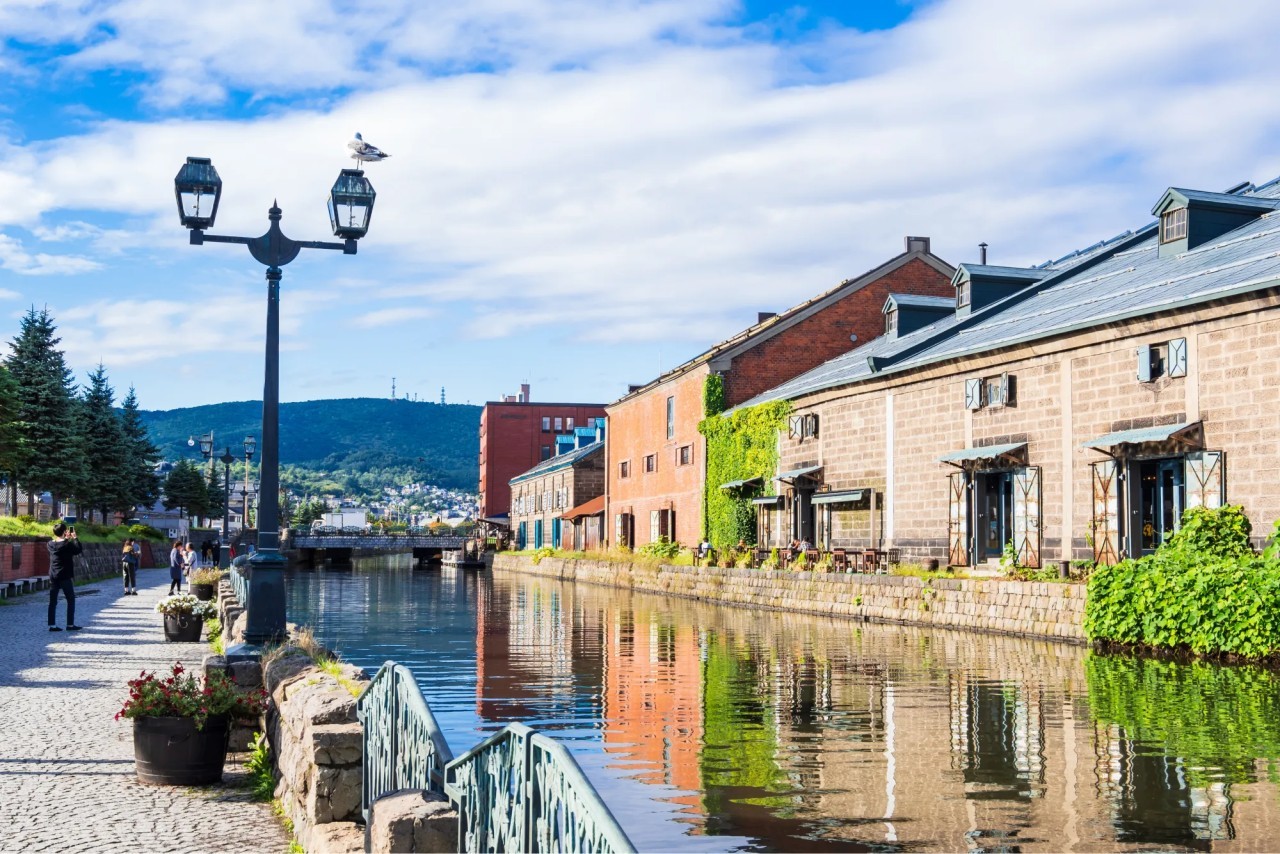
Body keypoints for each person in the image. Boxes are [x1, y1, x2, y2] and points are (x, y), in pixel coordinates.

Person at [48, 523, 83, 631]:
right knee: (70, 599)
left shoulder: (49, 544)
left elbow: (60, 545)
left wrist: (66, 539)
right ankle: (70, 624)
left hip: (53, 574)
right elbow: (78, 550)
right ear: (64, 532)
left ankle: (52, 625)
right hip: (64, 575)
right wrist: (75, 537)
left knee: (53, 601)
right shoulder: (67, 545)